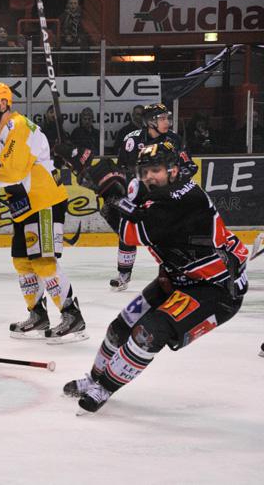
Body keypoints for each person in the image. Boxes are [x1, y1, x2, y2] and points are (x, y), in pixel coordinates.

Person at [61, 142, 248, 414]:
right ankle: (94, 378)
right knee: (119, 327)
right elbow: (129, 191)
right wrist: (90, 171)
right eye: (145, 171)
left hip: (215, 289)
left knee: (147, 334)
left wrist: (108, 195)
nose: (149, 177)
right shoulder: (157, 191)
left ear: (173, 170)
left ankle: (105, 388)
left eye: (156, 170)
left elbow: (130, 232)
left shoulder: (185, 198)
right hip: (178, 278)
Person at [0, 83, 87, 343]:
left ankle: (72, 316)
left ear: (3, 103)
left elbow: (15, 171)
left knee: (43, 261)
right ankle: (37, 315)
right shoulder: (0, 136)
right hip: (24, 206)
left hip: (44, 201)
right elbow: (14, 174)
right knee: (22, 261)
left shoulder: (19, 125)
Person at [110, 103, 197, 291]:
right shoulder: (132, 140)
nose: (167, 122)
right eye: (162, 118)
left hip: (167, 195)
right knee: (127, 230)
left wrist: (171, 180)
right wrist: (130, 187)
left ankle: (178, 272)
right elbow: (121, 169)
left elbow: (190, 167)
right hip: (140, 193)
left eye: (167, 118)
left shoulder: (174, 140)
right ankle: (124, 274)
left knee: (172, 235)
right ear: (150, 122)